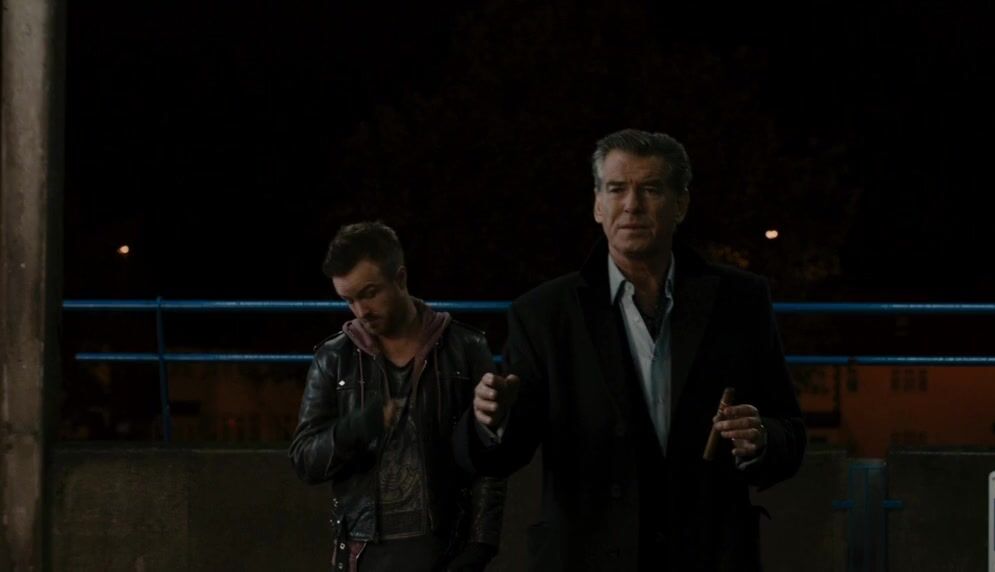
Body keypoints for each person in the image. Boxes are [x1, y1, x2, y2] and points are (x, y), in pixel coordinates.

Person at [456, 129, 807, 570]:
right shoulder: (543, 313)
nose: (632, 205)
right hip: (586, 556)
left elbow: (790, 431)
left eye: (651, 189)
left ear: (681, 204)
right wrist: (490, 422)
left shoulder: (741, 301)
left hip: (709, 553)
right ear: (597, 205)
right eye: (617, 189)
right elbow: (503, 454)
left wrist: (761, 439)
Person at [290, 222, 506, 572]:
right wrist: (358, 427)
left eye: (369, 293)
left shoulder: (465, 347)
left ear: (400, 278)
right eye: (349, 300)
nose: (361, 310)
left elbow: (490, 457)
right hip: (364, 552)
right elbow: (304, 460)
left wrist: (480, 546)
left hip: (447, 548)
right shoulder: (334, 358)